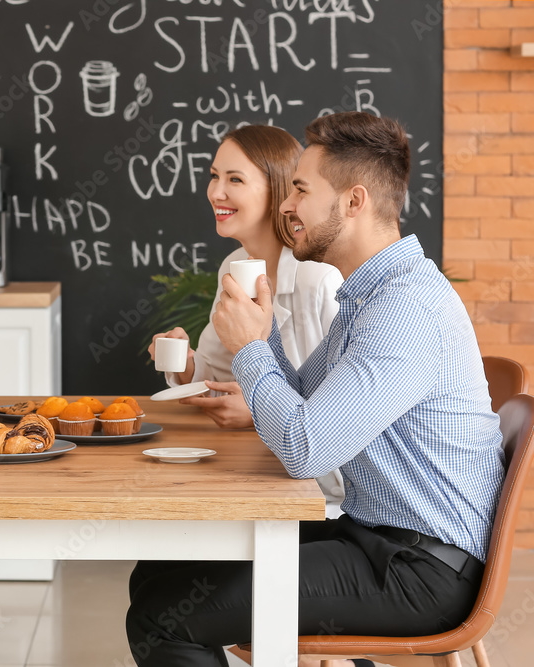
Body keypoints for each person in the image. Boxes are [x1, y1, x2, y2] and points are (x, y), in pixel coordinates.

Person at [127, 112, 505, 667]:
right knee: (161, 571)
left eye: (301, 189)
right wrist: (264, 335)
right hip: (374, 536)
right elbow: (304, 392)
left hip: (419, 568)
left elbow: (307, 448)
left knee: (164, 615)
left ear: (353, 203)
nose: (286, 205)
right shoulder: (370, 295)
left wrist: (253, 349)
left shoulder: (405, 308)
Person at [149, 125, 345, 517]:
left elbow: (340, 414)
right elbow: (222, 371)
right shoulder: (235, 267)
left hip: (323, 496)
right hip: (262, 471)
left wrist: (259, 413)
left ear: (279, 191)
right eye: (214, 176)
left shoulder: (320, 279)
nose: (216, 192)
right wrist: (188, 365)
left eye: (235, 179)